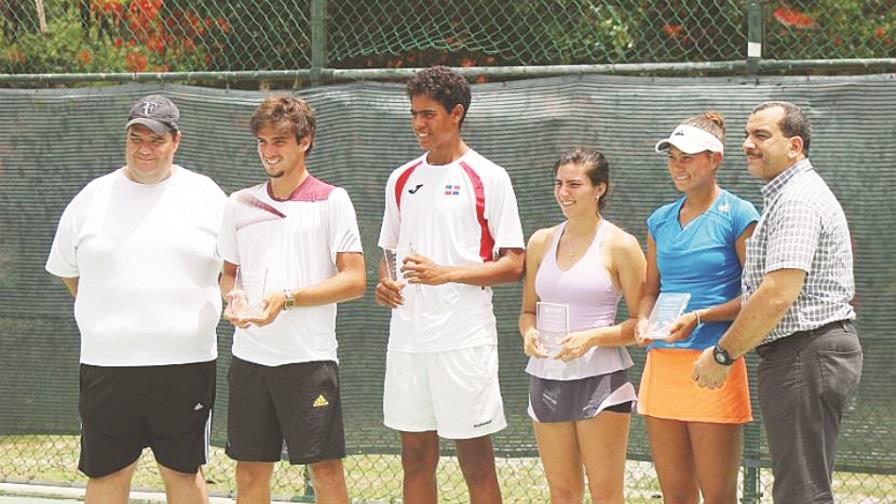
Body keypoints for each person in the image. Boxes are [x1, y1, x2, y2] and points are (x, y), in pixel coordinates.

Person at [45, 95, 227, 504]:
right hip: (108, 366)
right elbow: (68, 271)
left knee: (183, 475)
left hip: (186, 366)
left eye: (156, 140)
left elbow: (231, 269)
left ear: (176, 141)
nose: (145, 148)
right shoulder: (93, 196)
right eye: (136, 138)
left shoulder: (206, 194)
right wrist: (110, 315)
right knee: (107, 475)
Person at [693, 101, 862, 503]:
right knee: (800, 486)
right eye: (747, 136)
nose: (748, 144)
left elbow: (777, 292)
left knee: (800, 492)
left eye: (762, 136)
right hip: (804, 353)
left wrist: (722, 355)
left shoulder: (797, 200)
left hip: (805, 353)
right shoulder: (788, 193)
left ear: (795, 146)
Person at [374, 65, 525, 504]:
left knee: (475, 459)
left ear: (456, 113)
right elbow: (388, 252)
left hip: (464, 340)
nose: (418, 124)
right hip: (407, 340)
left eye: (429, 114)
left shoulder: (488, 177)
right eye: (414, 114)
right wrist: (387, 283)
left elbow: (514, 263)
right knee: (415, 457)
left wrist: (447, 274)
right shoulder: (401, 178)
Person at [217, 95, 366, 504]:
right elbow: (228, 276)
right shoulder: (239, 203)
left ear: (305, 140)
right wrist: (233, 301)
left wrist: (287, 298)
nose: (269, 151)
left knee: (326, 472)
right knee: (248, 473)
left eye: (279, 141)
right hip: (250, 361)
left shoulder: (332, 200)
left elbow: (355, 280)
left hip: (309, 361)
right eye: (262, 141)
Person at [635, 112, 759, 504]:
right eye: (672, 156)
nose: (678, 165)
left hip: (714, 364)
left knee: (719, 497)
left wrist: (700, 317)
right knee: (676, 496)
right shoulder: (659, 221)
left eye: (687, 156)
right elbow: (649, 291)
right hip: (662, 368)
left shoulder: (740, 215)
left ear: (715, 159)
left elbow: (756, 296)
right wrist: (642, 320)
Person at [518, 149, 645, 504]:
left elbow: (640, 325)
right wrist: (529, 333)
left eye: (574, 184)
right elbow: (528, 311)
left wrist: (592, 338)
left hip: (601, 382)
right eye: (558, 184)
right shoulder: (540, 241)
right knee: (562, 494)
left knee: (606, 495)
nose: (563, 192)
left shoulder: (622, 245)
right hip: (545, 378)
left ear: (599, 189)